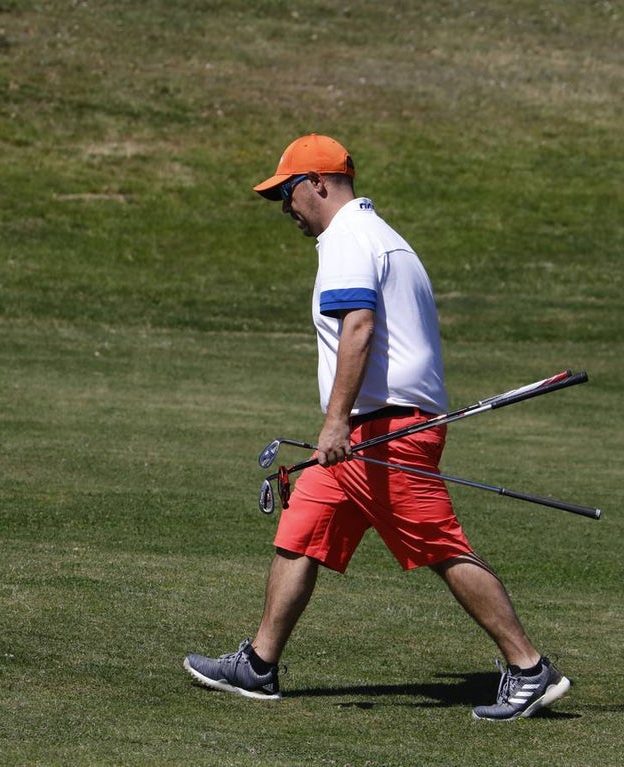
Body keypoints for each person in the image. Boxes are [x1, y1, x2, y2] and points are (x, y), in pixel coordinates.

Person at [183, 134, 570, 721]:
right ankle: (258, 665)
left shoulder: (347, 238)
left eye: (287, 193)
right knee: (302, 529)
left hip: (382, 430)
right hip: (373, 429)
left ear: (318, 183)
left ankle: (529, 668)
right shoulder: (383, 236)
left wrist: (335, 422)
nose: (285, 208)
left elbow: (359, 327)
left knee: (440, 547)